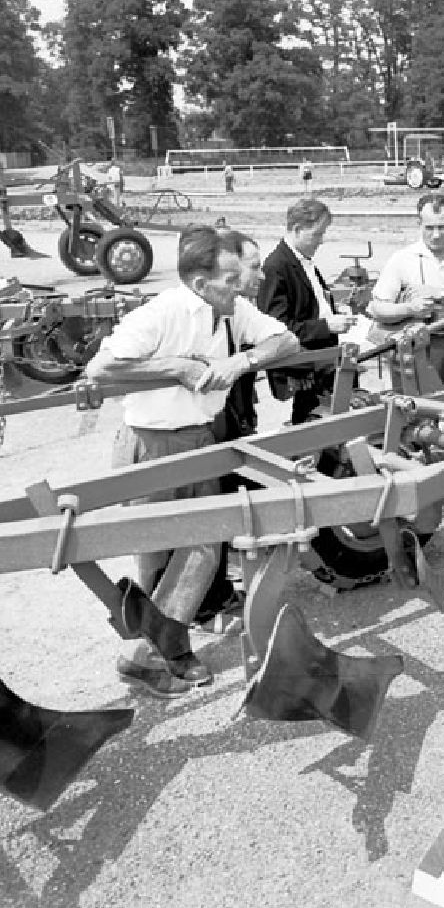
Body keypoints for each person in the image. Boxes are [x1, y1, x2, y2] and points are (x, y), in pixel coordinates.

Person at [84, 227, 300, 698]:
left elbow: (286, 342)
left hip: (199, 440)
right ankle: (158, 651)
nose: (241, 284)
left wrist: (242, 364)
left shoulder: (231, 310)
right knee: (154, 551)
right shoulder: (162, 313)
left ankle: (155, 648)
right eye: (229, 278)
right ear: (200, 284)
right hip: (151, 444)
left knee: (203, 544)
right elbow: (99, 369)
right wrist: (176, 368)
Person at [367, 192, 444, 521]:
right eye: (429, 228)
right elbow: (376, 306)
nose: (436, 235)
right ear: (418, 224)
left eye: (442, 227)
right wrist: (410, 308)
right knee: (419, 421)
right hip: (422, 350)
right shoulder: (403, 260)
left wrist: (441, 295)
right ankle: (425, 495)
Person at [193, 230, 271, 629]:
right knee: (205, 518)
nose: (258, 275)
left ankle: (221, 592)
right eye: (252, 267)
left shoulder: (237, 313)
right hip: (198, 429)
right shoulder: (196, 314)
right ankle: (203, 608)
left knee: (227, 502)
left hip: (230, 421)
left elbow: (280, 340)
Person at [258, 198, 351, 424]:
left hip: (323, 360)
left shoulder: (304, 261)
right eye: (318, 234)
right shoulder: (276, 267)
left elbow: (309, 303)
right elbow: (278, 328)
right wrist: (326, 326)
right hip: (306, 366)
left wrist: (333, 309)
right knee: (312, 425)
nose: (322, 241)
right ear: (298, 230)